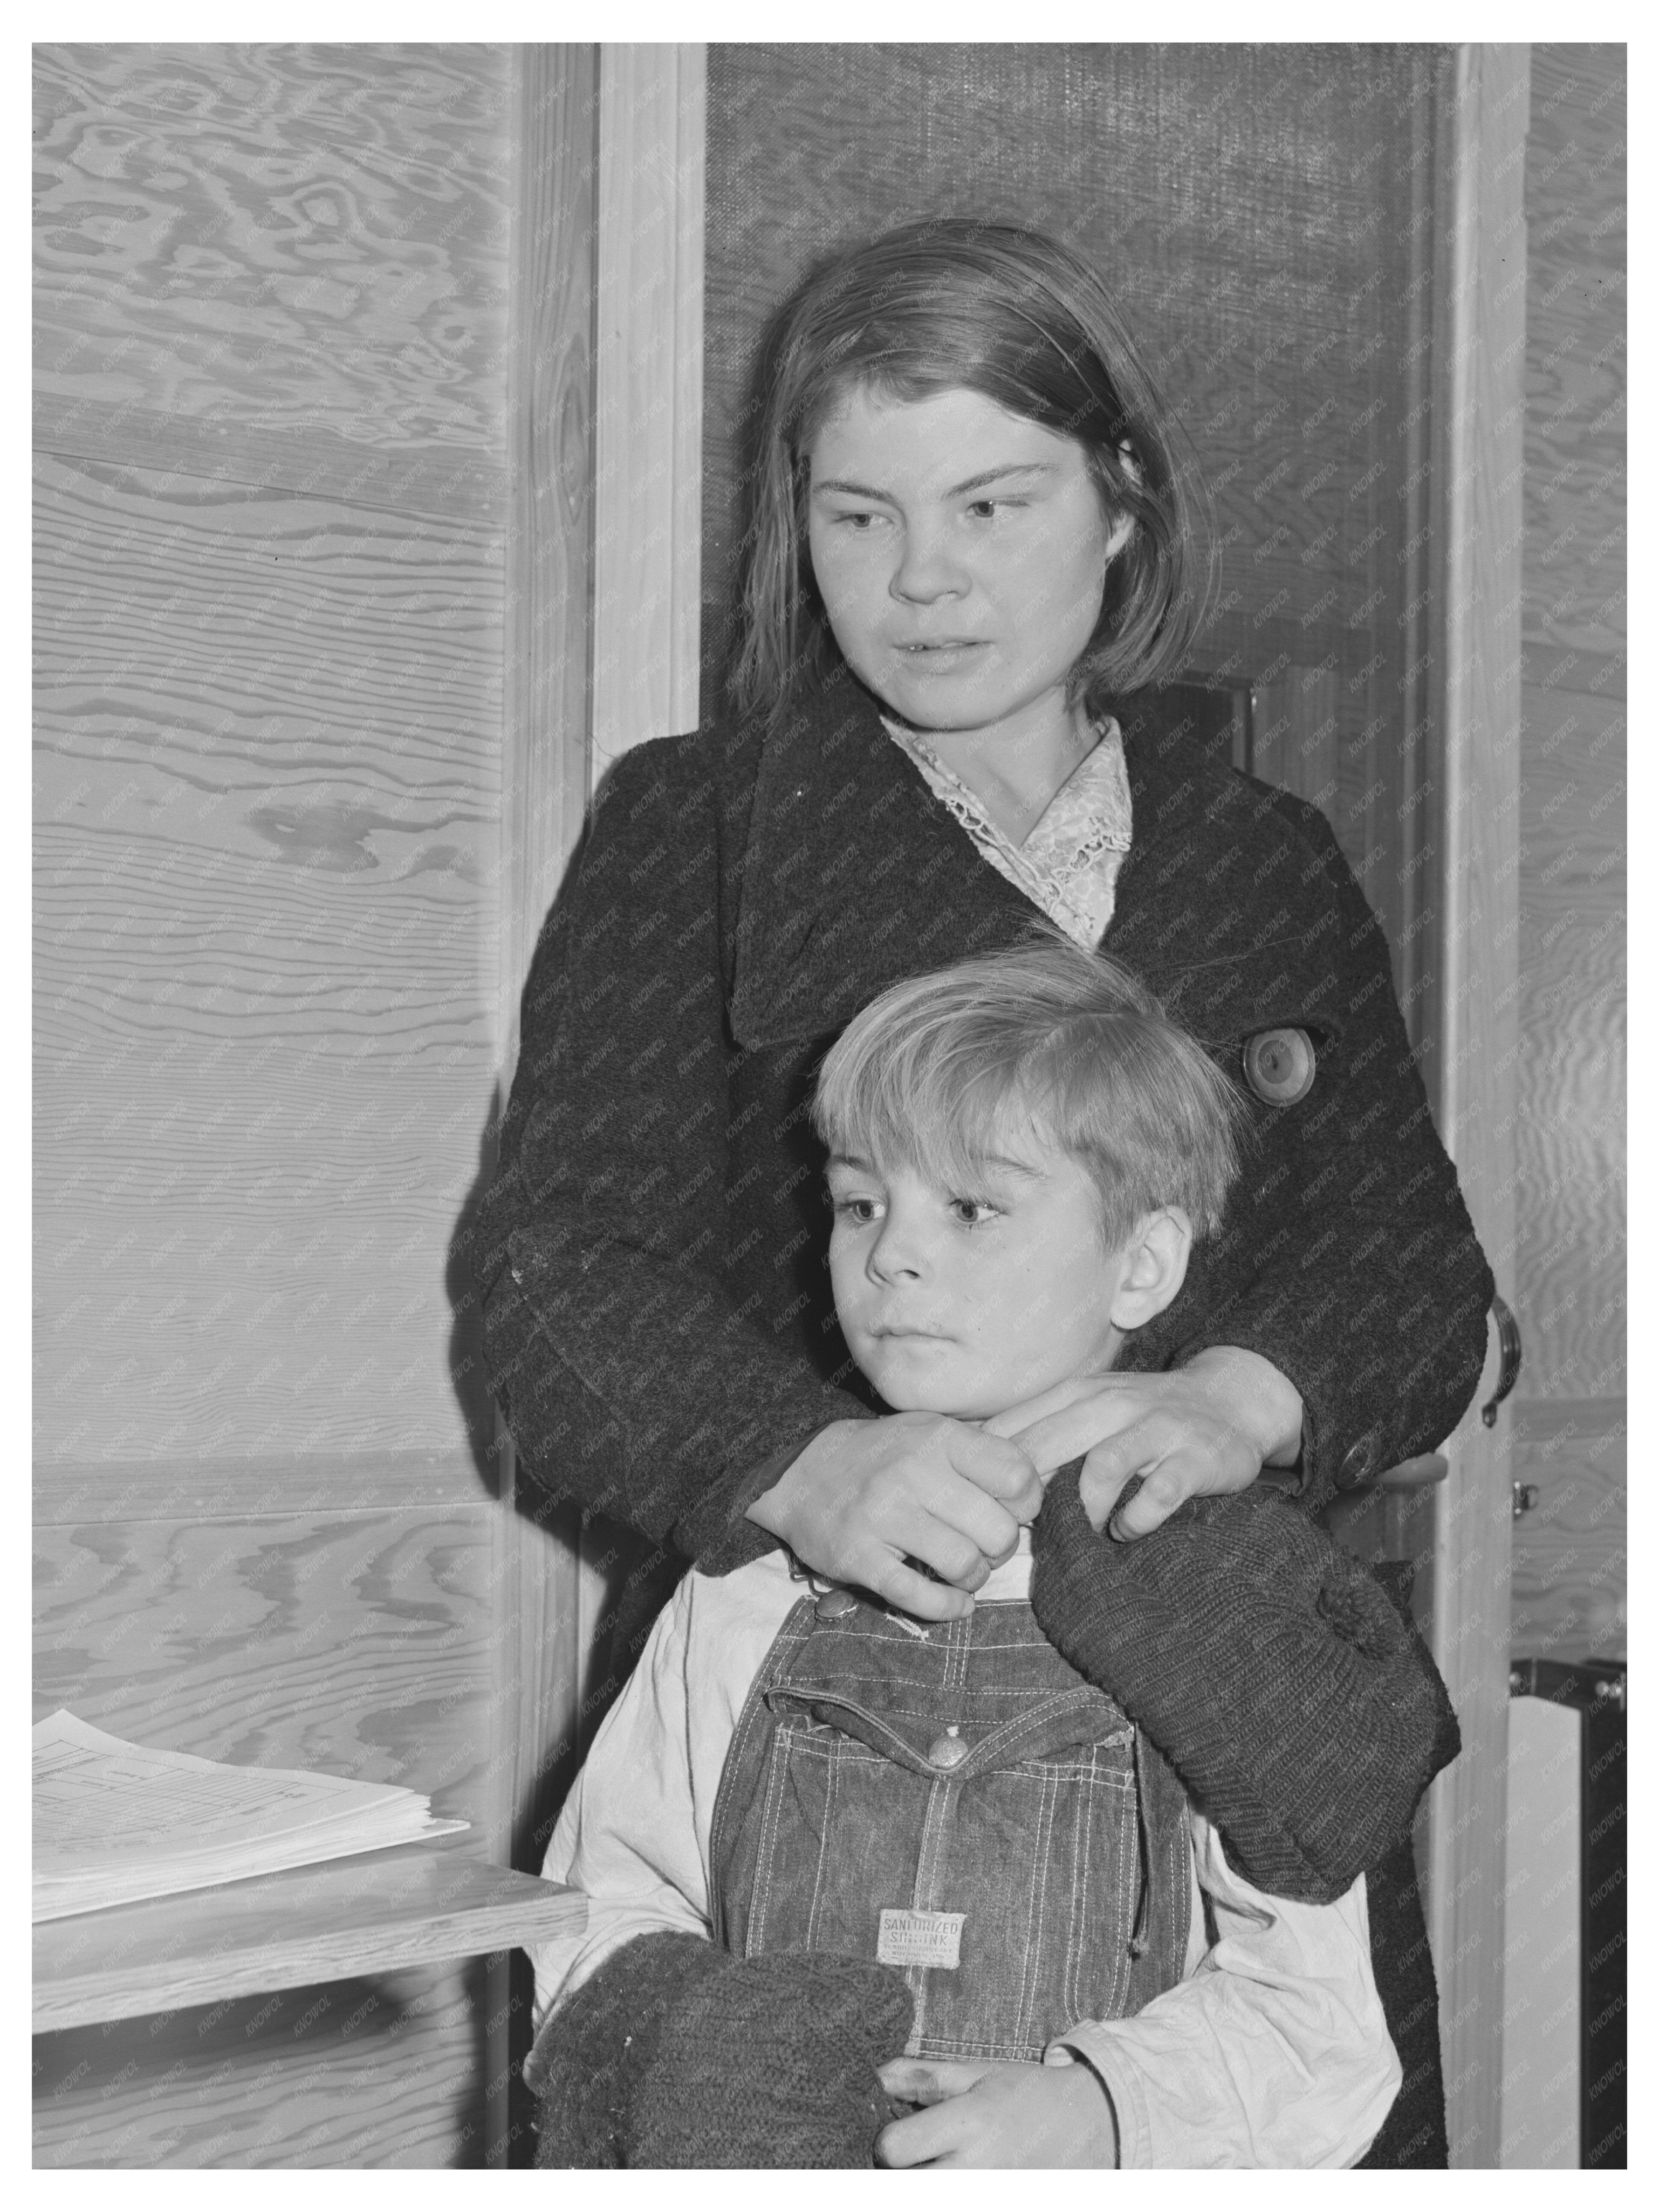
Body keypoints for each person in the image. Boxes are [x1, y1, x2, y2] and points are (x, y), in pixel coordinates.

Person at [474, 219, 1492, 2162]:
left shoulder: (1267, 854)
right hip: (803, 1697)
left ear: (1123, 503)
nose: (922, 580)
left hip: (1219, 1723)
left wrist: (1229, 1400)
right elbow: (551, 1280)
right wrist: (806, 1462)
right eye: (859, 518)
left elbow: (1417, 1276)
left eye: (991, 502)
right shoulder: (690, 828)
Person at [520, 940, 1454, 2169]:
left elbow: (1321, 2033)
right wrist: (698, 2044)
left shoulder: (1229, 1598)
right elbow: (597, 1911)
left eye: (970, 1207)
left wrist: (1102, 2110)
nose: (888, 1254)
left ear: (1142, 1263)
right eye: (861, 1202)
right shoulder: (750, 1575)